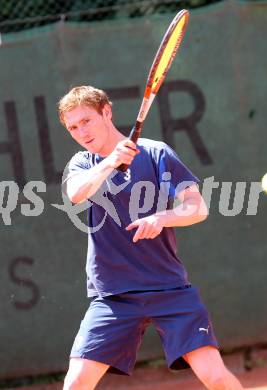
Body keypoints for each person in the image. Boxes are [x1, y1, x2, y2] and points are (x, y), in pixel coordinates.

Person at [58, 85, 244, 390]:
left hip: (169, 288)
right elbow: (76, 194)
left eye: (86, 121)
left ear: (106, 112)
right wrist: (110, 161)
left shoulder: (156, 153)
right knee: (76, 383)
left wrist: (162, 217)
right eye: (73, 127)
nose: (81, 132)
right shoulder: (82, 163)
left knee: (215, 376)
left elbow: (197, 208)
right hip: (114, 296)